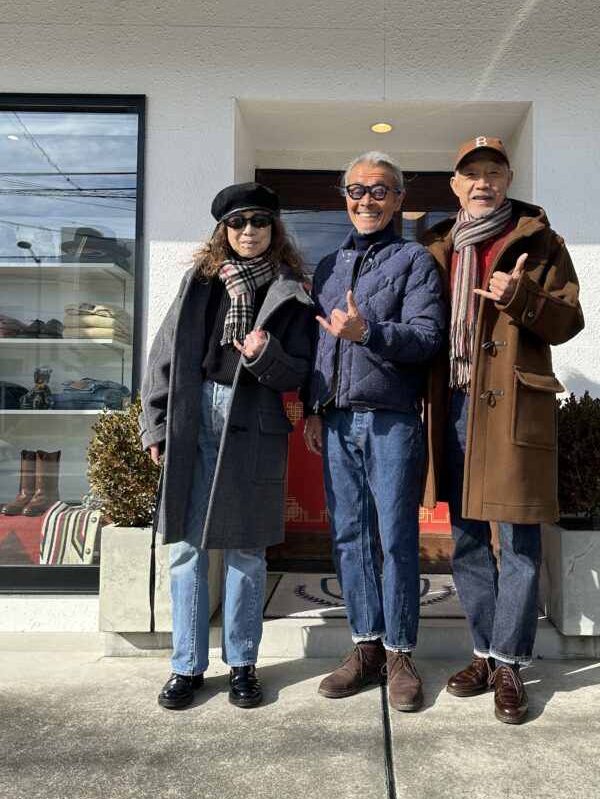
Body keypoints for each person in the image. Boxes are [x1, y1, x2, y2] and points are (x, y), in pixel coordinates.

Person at [422, 137, 584, 724]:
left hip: (511, 404)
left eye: (493, 172)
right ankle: (486, 653)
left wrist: (523, 297)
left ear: (509, 179)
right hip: (453, 403)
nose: (483, 182)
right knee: (466, 537)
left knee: (517, 539)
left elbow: (570, 320)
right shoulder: (435, 245)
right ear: (455, 185)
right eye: (472, 174)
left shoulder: (542, 241)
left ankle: (512, 661)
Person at [139, 181, 313, 710]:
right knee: (186, 547)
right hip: (193, 419)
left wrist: (263, 353)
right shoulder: (200, 282)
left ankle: (242, 664)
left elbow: (299, 372)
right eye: (237, 223)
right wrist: (156, 425)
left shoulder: (290, 290)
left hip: (252, 424)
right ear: (223, 230)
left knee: (246, 549)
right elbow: (164, 353)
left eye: (259, 221)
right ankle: (186, 667)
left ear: (274, 229)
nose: (248, 231)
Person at [303, 151, 445, 712]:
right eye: (357, 190)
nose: (367, 200)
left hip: (391, 419)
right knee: (349, 536)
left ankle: (400, 652)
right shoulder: (328, 266)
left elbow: (427, 337)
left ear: (399, 199)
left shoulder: (415, 260)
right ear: (345, 197)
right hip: (337, 419)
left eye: (380, 190)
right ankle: (365, 646)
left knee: (396, 538)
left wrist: (368, 332)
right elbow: (318, 345)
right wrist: (314, 406)